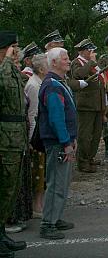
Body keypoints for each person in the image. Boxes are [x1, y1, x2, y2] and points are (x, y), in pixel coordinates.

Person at [38, 47, 77, 239]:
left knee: (62, 182)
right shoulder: (52, 86)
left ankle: (55, 217)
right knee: (56, 182)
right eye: (65, 58)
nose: (69, 61)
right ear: (53, 62)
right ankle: (48, 224)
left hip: (63, 141)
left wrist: (72, 138)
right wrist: (66, 142)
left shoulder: (58, 83)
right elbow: (56, 118)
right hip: (57, 143)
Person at [0, 32, 28, 255]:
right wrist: (6, 62)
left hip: (16, 139)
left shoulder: (12, 70)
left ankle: (1, 233)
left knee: (10, 190)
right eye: (12, 47)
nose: (16, 51)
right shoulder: (3, 70)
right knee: (2, 189)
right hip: (4, 140)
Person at [69, 39, 104, 173]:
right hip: (86, 105)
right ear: (82, 51)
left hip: (97, 104)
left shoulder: (93, 64)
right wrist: (90, 62)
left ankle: (90, 157)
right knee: (85, 134)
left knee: (96, 134)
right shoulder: (77, 62)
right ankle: (82, 161)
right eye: (89, 50)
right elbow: (79, 75)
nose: (91, 52)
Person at [25, 53, 47, 219]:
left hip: (41, 132)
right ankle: (36, 205)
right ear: (40, 69)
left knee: (42, 171)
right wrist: (32, 139)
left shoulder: (41, 83)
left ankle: (40, 202)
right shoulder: (33, 85)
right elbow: (32, 114)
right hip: (36, 135)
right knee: (37, 172)